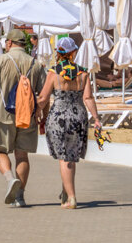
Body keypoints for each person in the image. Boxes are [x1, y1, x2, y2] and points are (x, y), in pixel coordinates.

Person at [0, 28, 45, 208]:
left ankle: (10, 179)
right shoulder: (35, 64)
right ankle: (20, 197)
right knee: (22, 155)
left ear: (8, 43)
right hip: (27, 116)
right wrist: (41, 113)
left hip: (4, 115)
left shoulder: (0, 60)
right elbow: (43, 94)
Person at [37, 37, 101, 210]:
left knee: (64, 158)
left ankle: (71, 197)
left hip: (58, 118)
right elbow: (88, 98)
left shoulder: (53, 73)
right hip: (78, 117)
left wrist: (35, 112)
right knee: (70, 156)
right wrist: (96, 118)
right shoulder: (83, 73)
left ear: (58, 53)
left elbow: (43, 98)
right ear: (74, 52)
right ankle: (66, 191)